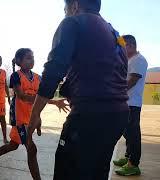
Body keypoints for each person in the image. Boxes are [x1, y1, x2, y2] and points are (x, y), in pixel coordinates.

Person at [27, 0, 130, 179]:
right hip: (118, 116)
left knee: (67, 172)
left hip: (88, 118)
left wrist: (35, 114)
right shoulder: (115, 33)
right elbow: (122, 70)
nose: (65, 13)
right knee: (97, 171)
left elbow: (54, 70)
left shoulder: (73, 22)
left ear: (74, 6)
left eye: (65, 9)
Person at [0, 48, 68, 180]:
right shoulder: (16, 76)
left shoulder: (38, 77)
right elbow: (22, 97)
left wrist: (38, 118)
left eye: (33, 57)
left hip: (31, 118)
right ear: (19, 61)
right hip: (19, 119)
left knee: (13, 145)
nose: (32, 60)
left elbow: (40, 100)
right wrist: (54, 102)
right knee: (32, 149)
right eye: (28, 58)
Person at [114, 35, 148, 176]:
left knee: (133, 134)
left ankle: (133, 164)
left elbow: (132, 81)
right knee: (126, 131)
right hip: (126, 102)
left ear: (130, 45)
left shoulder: (139, 60)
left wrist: (116, 92)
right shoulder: (131, 60)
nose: (121, 50)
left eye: (123, 47)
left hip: (132, 103)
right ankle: (128, 157)